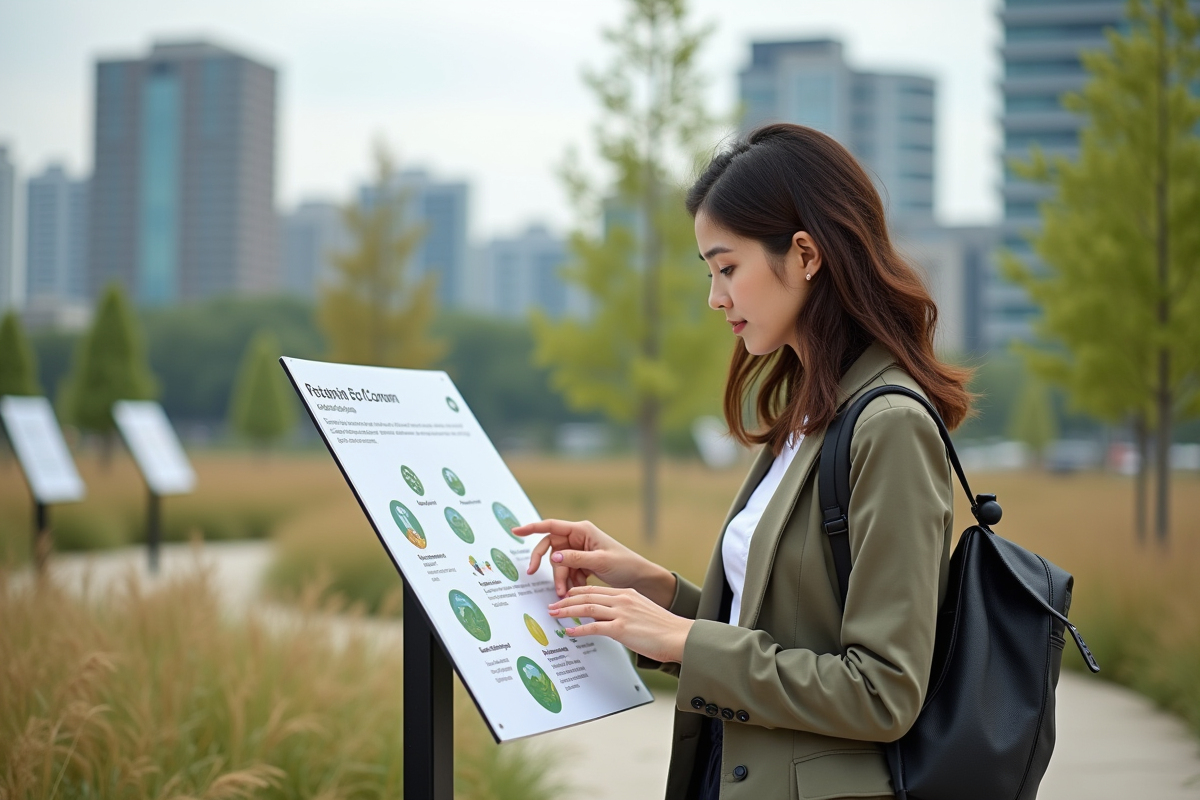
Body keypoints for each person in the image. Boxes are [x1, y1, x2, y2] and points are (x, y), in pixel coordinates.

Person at [514, 123, 972, 800]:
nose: (715, 297)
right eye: (710, 273)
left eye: (727, 268)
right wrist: (651, 588)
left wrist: (683, 640)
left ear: (806, 254)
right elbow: (777, 633)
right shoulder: (809, 417)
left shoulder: (889, 426)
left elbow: (881, 692)